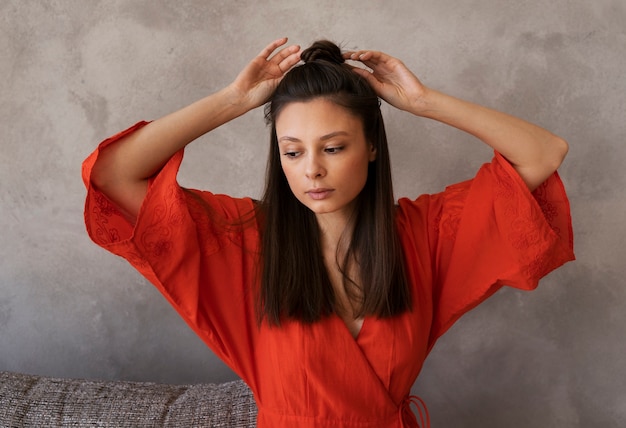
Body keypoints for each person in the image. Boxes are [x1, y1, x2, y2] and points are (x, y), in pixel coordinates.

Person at [82, 37, 574, 427]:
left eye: (333, 148)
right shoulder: (243, 239)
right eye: (292, 151)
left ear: (372, 147)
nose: (311, 170)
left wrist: (423, 102)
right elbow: (114, 176)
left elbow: (542, 152)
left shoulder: (425, 235)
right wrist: (233, 101)